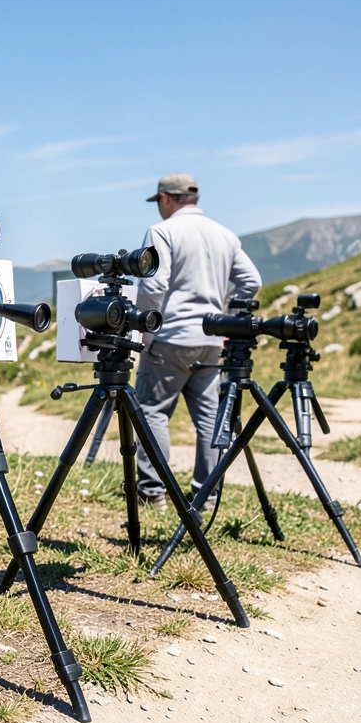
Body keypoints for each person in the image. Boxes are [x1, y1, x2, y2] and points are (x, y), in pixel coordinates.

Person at [133, 173, 261, 509]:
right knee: (208, 418)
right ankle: (206, 496)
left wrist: (145, 332)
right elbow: (251, 281)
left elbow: (152, 286)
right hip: (210, 340)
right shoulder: (225, 235)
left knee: (151, 412)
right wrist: (227, 319)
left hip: (170, 337)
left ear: (166, 198)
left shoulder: (162, 232)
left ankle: (152, 492)